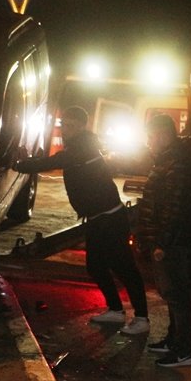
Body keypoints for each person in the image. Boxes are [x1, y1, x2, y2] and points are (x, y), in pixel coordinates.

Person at [18, 106, 149, 335]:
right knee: (95, 266)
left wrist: (19, 164)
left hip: (111, 217)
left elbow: (51, 162)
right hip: (98, 218)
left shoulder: (83, 148)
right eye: (63, 125)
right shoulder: (79, 147)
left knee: (124, 267)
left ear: (81, 126)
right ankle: (116, 311)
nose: (64, 129)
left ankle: (142, 318)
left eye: (69, 125)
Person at [137, 114, 191, 367]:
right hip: (170, 240)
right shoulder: (170, 160)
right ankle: (173, 339)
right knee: (172, 293)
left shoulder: (177, 165)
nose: (149, 142)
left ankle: (183, 349)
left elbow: (174, 208)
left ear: (163, 135)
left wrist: (161, 243)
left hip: (173, 243)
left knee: (177, 295)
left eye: (151, 137)